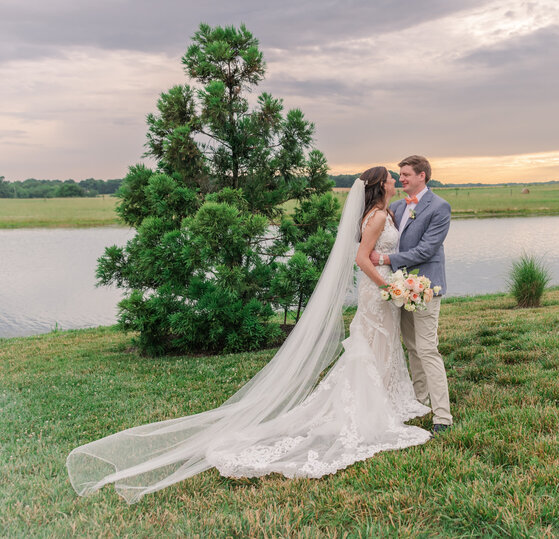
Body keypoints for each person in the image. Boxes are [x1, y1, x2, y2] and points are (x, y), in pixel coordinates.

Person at [67, 167, 430, 504]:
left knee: (377, 348)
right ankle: (371, 408)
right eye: (390, 179)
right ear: (379, 186)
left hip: (380, 292)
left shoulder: (379, 213)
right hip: (377, 292)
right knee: (370, 348)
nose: (395, 182)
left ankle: (383, 400)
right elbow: (362, 258)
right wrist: (390, 287)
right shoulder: (378, 216)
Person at [369, 155, 452, 434]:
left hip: (426, 288)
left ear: (422, 176)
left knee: (428, 348)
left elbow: (426, 251)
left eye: (406, 174)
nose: (401, 178)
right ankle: (419, 402)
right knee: (412, 348)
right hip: (399, 288)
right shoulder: (395, 207)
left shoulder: (440, 207)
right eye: (399, 174)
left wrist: (384, 260)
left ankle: (442, 416)